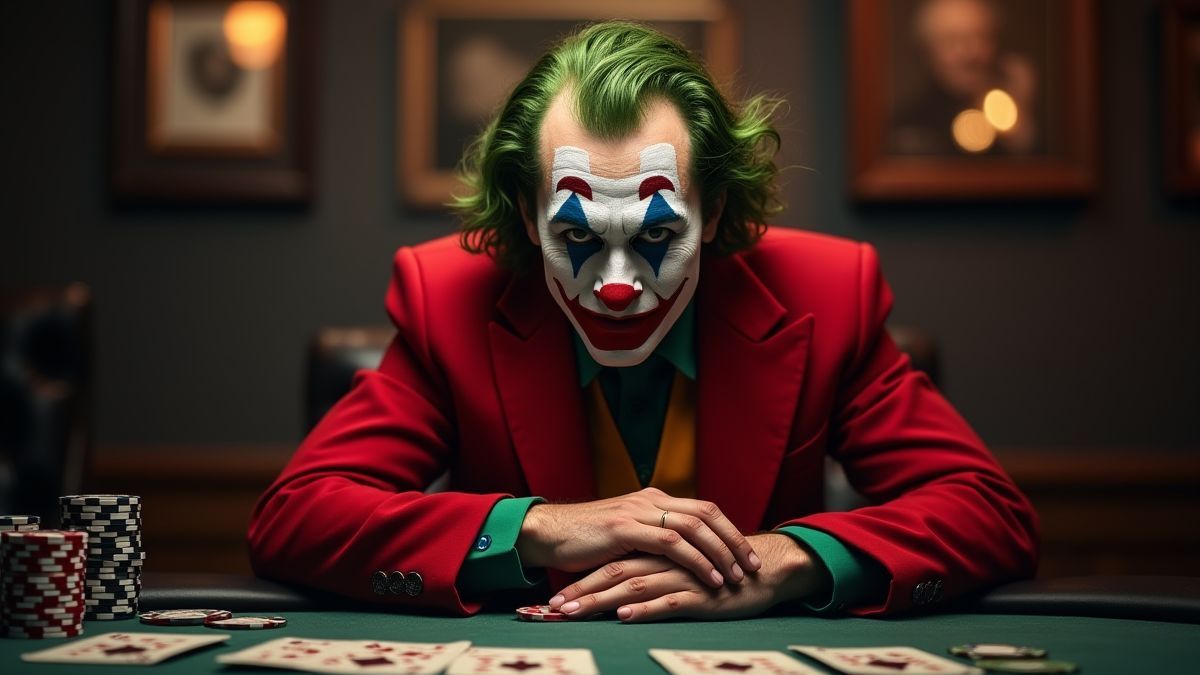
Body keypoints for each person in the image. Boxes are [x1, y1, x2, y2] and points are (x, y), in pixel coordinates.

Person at [249, 21, 1038, 622]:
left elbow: (988, 511)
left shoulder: (826, 293)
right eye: (578, 237)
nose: (619, 286)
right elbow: (297, 515)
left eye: (657, 235)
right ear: (527, 217)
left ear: (715, 207)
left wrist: (789, 557)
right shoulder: (447, 297)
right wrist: (540, 529)